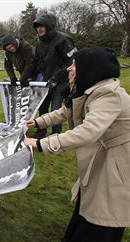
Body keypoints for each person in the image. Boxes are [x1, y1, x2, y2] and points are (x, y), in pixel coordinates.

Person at [24, 47, 130, 242]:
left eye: (74, 65)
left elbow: (88, 131)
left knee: (104, 214)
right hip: (103, 157)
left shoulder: (108, 95)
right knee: (90, 203)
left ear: (89, 69)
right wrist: (38, 122)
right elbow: (66, 112)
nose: (69, 69)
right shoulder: (91, 89)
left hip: (117, 163)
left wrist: (42, 144)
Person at [33, 13, 77, 138]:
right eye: (37, 27)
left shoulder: (63, 39)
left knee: (55, 108)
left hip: (61, 81)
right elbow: (38, 61)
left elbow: (71, 61)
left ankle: (56, 134)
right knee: (42, 107)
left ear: (49, 26)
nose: (39, 29)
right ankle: (41, 131)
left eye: (42, 26)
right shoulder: (39, 43)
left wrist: (56, 77)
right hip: (46, 81)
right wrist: (32, 77)